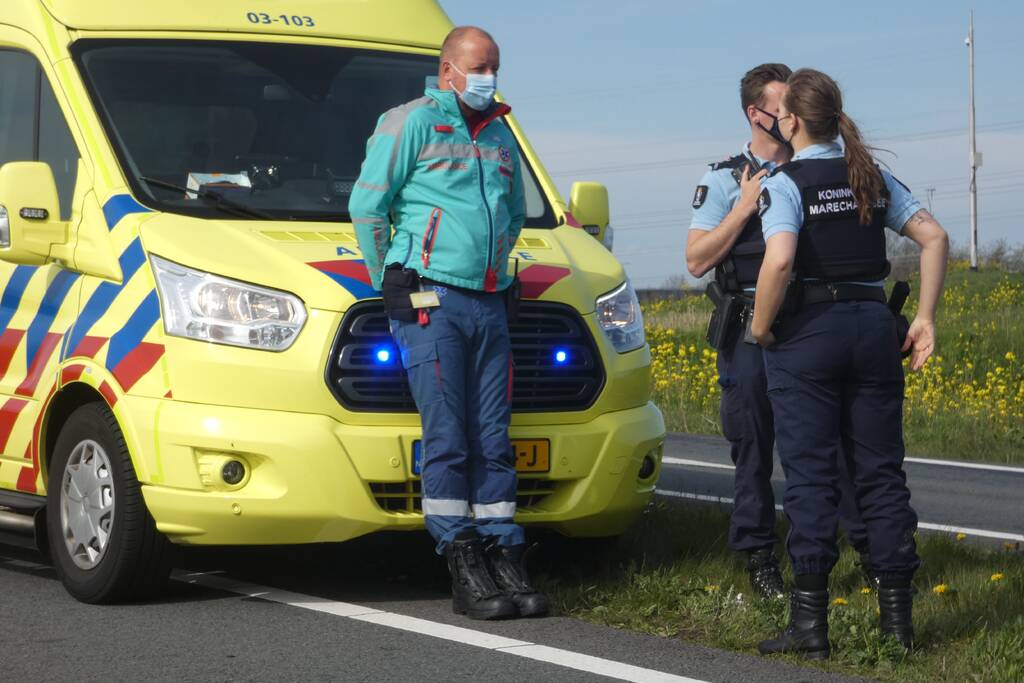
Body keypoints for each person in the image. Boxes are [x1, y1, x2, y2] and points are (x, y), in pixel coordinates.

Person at [349, 26, 548, 621]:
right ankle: (460, 555)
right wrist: (392, 275)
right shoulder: (410, 121)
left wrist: (497, 267)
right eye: (480, 66)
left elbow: (512, 216)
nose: (489, 76)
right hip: (430, 297)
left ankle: (502, 551)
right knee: (447, 432)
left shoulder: (501, 133)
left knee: (493, 435)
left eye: (495, 65)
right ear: (449, 70)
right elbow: (368, 205)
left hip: (487, 300)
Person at [751, 68, 949, 658]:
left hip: (809, 334)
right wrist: (926, 319)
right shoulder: (870, 176)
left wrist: (762, 328)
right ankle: (898, 629)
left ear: (790, 121)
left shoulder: (784, 182)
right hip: (871, 328)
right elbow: (934, 237)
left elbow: (780, 261)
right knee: (881, 476)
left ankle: (810, 628)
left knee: (811, 477)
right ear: (836, 117)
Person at [686, 64, 873, 600]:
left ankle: (864, 549)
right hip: (749, 324)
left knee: (835, 440)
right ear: (757, 114)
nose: (790, 115)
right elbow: (696, 260)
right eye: (780, 105)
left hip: (811, 322)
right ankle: (758, 555)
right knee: (754, 441)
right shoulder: (723, 177)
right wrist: (744, 206)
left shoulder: (816, 171)